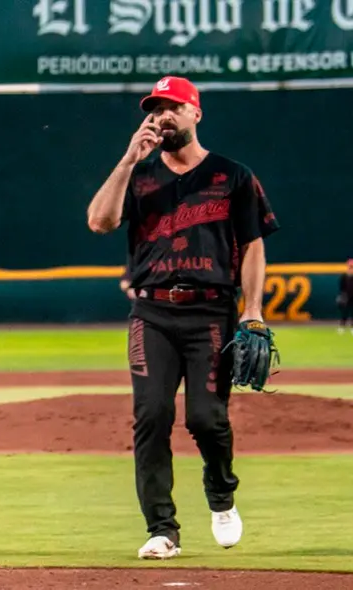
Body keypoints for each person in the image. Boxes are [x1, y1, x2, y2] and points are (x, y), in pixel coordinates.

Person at [86, 76, 281, 560]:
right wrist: (128, 160)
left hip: (211, 310)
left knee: (206, 418)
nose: (162, 115)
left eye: (173, 106)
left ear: (196, 113)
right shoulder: (139, 177)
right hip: (151, 311)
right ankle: (162, 529)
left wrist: (252, 312)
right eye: (156, 109)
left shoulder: (233, 176)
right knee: (151, 416)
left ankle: (221, 492)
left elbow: (253, 245)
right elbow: (100, 221)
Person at [338, 259, 353, 333]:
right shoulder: (344, 276)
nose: (351, 268)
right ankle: (342, 327)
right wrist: (342, 295)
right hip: (346, 297)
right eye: (350, 266)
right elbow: (341, 287)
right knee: (345, 312)